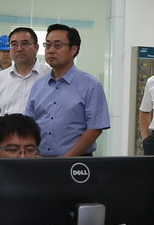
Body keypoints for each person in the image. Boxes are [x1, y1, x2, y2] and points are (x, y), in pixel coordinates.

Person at [25, 23, 110, 157]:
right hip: (39, 160)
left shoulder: (90, 85)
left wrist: (66, 159)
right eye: (48, 45)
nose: (51, 50)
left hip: (76, 162)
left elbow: (95, 129)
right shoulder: (38, 85)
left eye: (57, 45)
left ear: (73, 49)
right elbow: (28, 125)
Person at [0, 26, 51, 116]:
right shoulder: (0, 78)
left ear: (36, 47)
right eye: (14, 44)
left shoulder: (50, 75)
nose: (19, 49)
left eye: (24, 43)